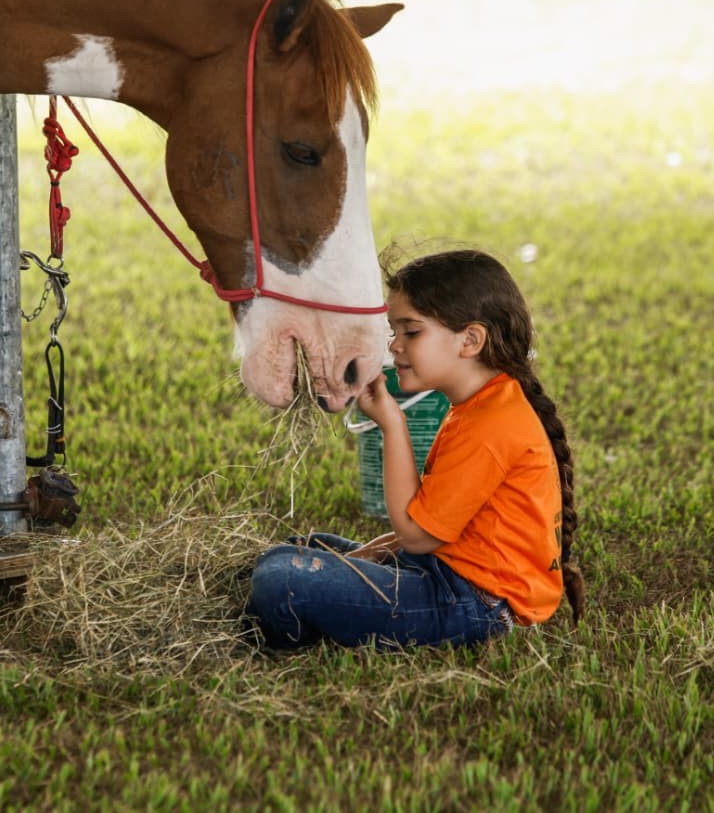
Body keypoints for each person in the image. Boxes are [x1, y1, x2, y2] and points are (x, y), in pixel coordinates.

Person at [245, 249, 585, 649]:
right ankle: (316, 600)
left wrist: (392, 424)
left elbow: (418, 535)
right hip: (442, 569)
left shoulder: (491, 424)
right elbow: (434, 524)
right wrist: (375, 549)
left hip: (472, 603)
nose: (394, 347)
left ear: (471, 340)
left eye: (411, 332)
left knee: (280, 581)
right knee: (310, 546)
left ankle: (297, 625)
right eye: (393, 332)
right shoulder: (485, 404)